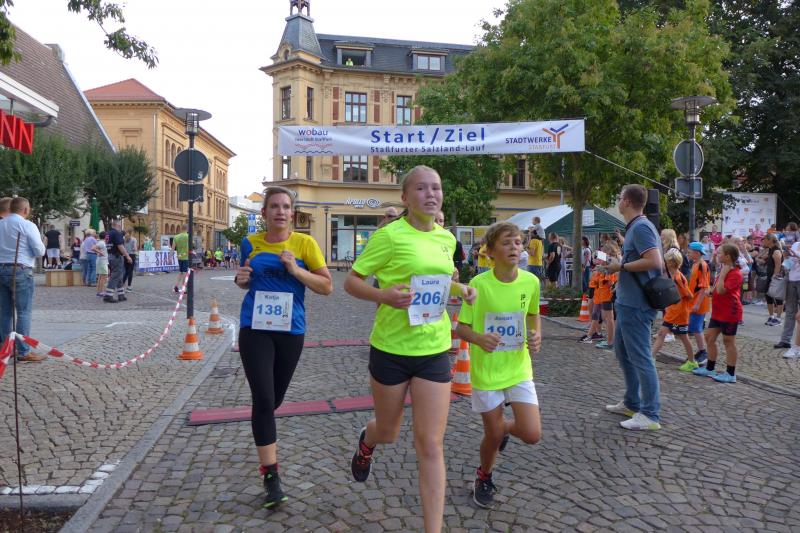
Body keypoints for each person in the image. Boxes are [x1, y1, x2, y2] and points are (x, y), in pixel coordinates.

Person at [344, 165, 476, 532]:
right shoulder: (389, 237)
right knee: (388, 431)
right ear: (405, 197)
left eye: (436, 187)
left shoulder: (446, 239)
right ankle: (367, 441)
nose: (431, 194)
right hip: (391, 349)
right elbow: (352, 282)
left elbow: (437, 282)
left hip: (433, 349)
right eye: (421, 188)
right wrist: (383, 296)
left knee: (430, 444)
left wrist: (461, 289)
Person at [234, 186, 332, 508]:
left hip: (291, 330)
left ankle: (265, 435)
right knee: (263, 399)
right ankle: (271, 476)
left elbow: (326, 286)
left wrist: (296, 269)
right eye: (274, 206)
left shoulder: (305, 244)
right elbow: (245, 278)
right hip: (255, 328)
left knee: (273, 399)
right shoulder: (249, 242)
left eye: (285, 206)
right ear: (264, 213)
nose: (280, 211)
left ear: (292, 213)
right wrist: (241, 280)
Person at [455, 221, 542, 509]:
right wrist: (480, 338)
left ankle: (504, 428)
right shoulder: (479, 285)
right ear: (490, 252)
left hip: (518, 367)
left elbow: (532, 314)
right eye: (506, 243)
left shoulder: (531, 282)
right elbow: (461, 328)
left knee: (531, 434)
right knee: (491, 435)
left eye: (517, 242)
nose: (514, 247)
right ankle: (484, 475)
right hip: (487, 371)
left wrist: (536, 334)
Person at [602, 184, 663, 431]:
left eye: (619, 197)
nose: (618, 201)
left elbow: (654, 261)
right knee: (623, 353)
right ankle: (632, 402)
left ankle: (650, 414)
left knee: (641, 358)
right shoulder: (636, 227)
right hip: (627, 302)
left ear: (626, 201)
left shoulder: (641, 227)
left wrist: (621, 267)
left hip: (637, 305)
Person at [0, 197, 46, 362]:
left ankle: (7, 349)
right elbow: (39, 251)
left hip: (1, 268)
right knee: (23, 312)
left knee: (4, 312)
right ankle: (23, 351)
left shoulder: (1, 224)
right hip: (20, 269)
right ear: (26, 210)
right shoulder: (27, 225)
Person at [692, 244, 743, 383]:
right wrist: (710, 291)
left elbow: (721, 290)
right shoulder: (723, 270)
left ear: (727, 256)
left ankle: (731, 374)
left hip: (730, 312)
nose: (716, 254)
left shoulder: (735, 274)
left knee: (728, 341)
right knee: (709, 338)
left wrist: (724, 274)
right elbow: (716, 289)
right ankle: (710, 368)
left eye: (720, 253)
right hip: (718, 312)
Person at [652, 249, 696, 370]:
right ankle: (651, 358)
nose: (664, 262)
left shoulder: (677, 278)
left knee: (683, 337)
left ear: (671, 263)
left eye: (666, 260)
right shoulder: (674, 276)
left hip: (679, 313)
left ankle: (692, 362)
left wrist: (677, 300)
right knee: (662, 333)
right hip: (673, 312)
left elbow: (689, 295)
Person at [686, 242, 711, 365]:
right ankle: (701, 351)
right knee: (695, 328)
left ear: (696, 253)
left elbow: (704, 287)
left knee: (697, 328)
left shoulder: (702, 265)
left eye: (689, 252)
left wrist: (697, 304)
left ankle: (703, 353)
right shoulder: (696, 264)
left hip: (699, 302)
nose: (688, 254)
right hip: (694, 301)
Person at [594, 242, 619, 351]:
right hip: (606, 294)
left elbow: (609, 281)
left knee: (609, 318)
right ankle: (611, 340)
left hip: (607, 294)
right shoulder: (611, 261)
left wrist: (602, 271)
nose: (602, 255)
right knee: (608, 318)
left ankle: (610, 341)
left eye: (603, 252)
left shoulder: (611, 262)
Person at [775, 239, 800, 349]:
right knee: (790, 311)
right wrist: (786, 256)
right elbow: (789, 263)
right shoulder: (796, 244)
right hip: (791, 280)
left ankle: (797, 344)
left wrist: (796, 255)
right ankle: (785, 340)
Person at [103, 221, 132, 303]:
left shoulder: (108, 233)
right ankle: (108, 295)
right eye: (120, 226)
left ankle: (121, 294)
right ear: (118, 225)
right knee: (115, 276)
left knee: (119, 275)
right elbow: (120, 246)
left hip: (110, 255)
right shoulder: (116, 233)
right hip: (116, 256)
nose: (121, 227)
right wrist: (127, 256)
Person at [762, 234, 785, 326]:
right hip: (769, 276)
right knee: (768, 296)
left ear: (770, 240)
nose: (763, 241)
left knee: (778, 298)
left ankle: (778, 318)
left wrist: (774, 278)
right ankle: (771, 316)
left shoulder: (776, 251)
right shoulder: (770, 250)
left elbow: (778, 266)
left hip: (776, 278)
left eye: (764, 239)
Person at [172, 225, 189, 293]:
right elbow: (192, 246)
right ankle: (184, 288)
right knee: (185, 273)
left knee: (180, 272)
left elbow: (173, 248)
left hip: (179, 257)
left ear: (181, 229)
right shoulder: (188, 236)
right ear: (187, 229)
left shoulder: (176, 237)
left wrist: (170, 257)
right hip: (186, 257)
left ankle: (176, 286)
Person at [94, 231, 109, 297]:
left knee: (101, 277)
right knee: (103, 277)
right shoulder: (101, 243)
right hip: (102, 261)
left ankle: (99, 292)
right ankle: (101, 292)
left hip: (101, 261)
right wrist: (100, 252)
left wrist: (99, 252)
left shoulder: (101, 242)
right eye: (107, 236)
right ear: (105, 236)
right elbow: (93, 248)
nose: (108, 237)